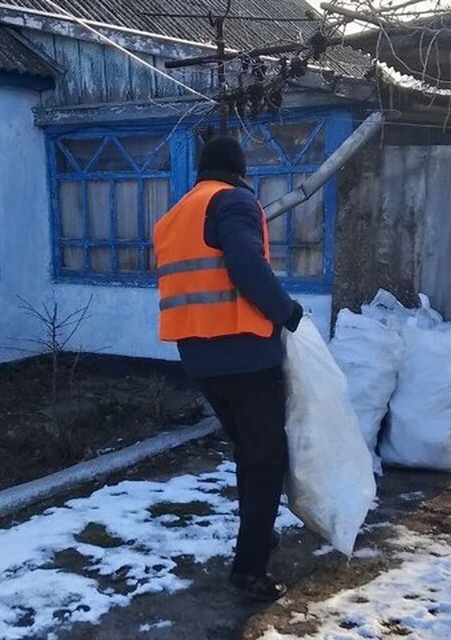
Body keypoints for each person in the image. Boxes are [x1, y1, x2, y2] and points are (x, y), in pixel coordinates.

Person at [153, 136, 303, 602]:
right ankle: (250, 569)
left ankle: (255, 537)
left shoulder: (175, 215)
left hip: (200, 358)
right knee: (266, 459)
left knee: (249, 452)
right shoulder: (234, 200)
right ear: (239, 172)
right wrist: (286, 312)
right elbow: (244, 262)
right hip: (245, 354)